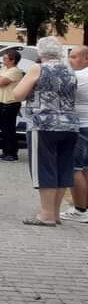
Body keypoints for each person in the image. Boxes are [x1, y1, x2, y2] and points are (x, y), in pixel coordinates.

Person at [13, 36, 78, 227]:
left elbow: (18, 94)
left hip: (44, 124)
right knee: (62, 168)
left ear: (41, 52)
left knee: (45, 168)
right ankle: (56, 213)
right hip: (70, 124)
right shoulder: (70, 70)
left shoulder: (38, 68)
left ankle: (46, 214)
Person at [60, 45, 88, 224]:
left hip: (79, 125)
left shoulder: (80, 77)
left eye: (75, 57)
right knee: (85, 168)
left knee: (74, 168)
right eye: (70, 56)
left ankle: (80, 208)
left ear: (86, 58)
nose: (70, 60)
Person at [0, 50, 24, 162]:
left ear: (12, 60)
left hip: (9, 102)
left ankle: (12, 153)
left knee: (9, 128)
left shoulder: (15, 71)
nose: (3, 60)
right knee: (3, 128)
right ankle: (5, 151)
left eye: (5, 58)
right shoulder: (4, 69)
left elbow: (0, 82)